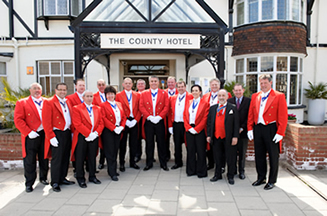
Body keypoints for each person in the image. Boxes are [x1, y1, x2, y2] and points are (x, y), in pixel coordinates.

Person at [247, 74, 288, 190]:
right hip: (258, 128)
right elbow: (251, 114)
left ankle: (272, 180)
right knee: (259, 155)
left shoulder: (279, 96)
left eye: (265, 83)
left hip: (271, 128)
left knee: (273, 156)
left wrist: (280, 132)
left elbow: (283, 116)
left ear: (270, 83)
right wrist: (250, 128)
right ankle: (261, 177)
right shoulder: (255, 96)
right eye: (261, 83)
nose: (263, 85)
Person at [14, 83, 49, 193]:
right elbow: (18, 120)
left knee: (44, 157)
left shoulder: (46, 101)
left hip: (44, 133)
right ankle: (29, 183)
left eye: (39, 88)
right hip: (31, 134)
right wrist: (29, 132)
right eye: (34, 88)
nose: (37, 90)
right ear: (30, 90)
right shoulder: (22, 103)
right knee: (30, 159)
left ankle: (43, 178)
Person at [43, 83, 75, 192]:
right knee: (57, 158)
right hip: (57, 133)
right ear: (55, 90)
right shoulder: (49, 102)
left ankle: (62, 178)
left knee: (65, 156)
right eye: (60, 90)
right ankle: (55, 181)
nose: (62, 92)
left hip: (66, 132)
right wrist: (51, 137)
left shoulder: (67, 101)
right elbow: (46, 122)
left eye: (64, 90)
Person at [71, 90, 104, 188]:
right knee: (80, 158)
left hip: (94, 136)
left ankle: (92, 176)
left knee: (92, 157)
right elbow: (77, 124)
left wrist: (96, 133)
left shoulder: (97, 108)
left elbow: (101, 122)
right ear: (83, 98)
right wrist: (88, 134)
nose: (89, 98)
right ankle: (80, 178)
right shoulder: (77, 108)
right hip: (82, 136)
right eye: (87, 96)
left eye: (91, 96)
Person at [207, 89, 239, 185]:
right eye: (219, 95)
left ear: (227, 97)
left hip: (228, 137)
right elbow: (209, 123)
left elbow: (236, 124)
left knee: (230, 157)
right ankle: (217, 175)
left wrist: (235, 136)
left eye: (223, 95)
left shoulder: (232, 108)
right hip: (216, 137)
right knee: (217, 157)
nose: (221, 97)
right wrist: (209, 135)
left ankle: (230, 176)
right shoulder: (213, 108)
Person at [139, 75, 170, 171]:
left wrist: (159, 117)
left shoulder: (164, 93)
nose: (153, 83)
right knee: (149, 143)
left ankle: (163, 163)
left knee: (162, 143)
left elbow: (166, 106)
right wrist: (149, 117)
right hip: (149, 121)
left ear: (158, 82)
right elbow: (141, 106)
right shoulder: (143, 94)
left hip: (160, 121)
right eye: (152, 81)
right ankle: (149, 163)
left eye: (155, 81)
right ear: (149, 82)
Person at [100, 86, 126, 181]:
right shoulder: (103, 105)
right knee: (110, 152)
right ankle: (112, 172)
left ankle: (114, 169)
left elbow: (123, 116)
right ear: (106, 95)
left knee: (115, 150)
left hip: (118, 130)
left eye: (112, 94)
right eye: (108, 94)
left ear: (115, 95)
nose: (110, 96)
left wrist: (122, 126)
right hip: (109, 131)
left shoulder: (119, 104)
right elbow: (104, 118)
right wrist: (113, 128)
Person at [183, 84, 209, 178]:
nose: (194, 92)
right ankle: (191, 170)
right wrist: (188, 127)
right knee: (190, 150)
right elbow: (185, 116)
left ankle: (201, 171)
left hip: (199, 130)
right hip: (189, 129)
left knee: (200, 151)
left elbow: (205, 118)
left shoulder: (205, 103)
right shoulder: (188, 102)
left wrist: (197, 129)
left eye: (196, 90)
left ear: (200, 92)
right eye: (193, 90)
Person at [116, 78, 141, 171]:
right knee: (122, 144)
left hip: (134, 121)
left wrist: (136, 120)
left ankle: (132, 162)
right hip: (124, 122)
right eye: (126, 83)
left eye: (129, 83)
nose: (128, 85)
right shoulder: (118, 95)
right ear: (123, 84)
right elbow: (118, 109)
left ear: (132, 84)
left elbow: (140, 109)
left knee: (133, 143)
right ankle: (122, 163)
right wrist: (124, 121)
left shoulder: (137, 95)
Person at [227, 84, 251, 180]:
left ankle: (241, 171)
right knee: (232, 153)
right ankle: (233, 170)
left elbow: (249, 116)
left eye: (239, 90)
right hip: (232, 133)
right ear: (233, 91)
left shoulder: (248, 101)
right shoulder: (229, 101)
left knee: (242, 153)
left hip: (243, 132)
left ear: (243, 90)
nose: (238, 92)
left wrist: (242, 128)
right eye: (236, 90)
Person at [168, 80, 193, 169]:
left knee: (188, 144)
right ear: (176, 88)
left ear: (185, 87)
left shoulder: (190, 96)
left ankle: (191, 162)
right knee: (177, 144)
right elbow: (170, 112)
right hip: (176, 124)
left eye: (182, 87)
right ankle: (178, 162)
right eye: (179, 87)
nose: (180, 88)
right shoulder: (173, 98)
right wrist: (170, 125)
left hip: (186, 124)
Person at [66, 79, 86, 174]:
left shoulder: (87, 97)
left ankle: (86, 167)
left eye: (83, 85)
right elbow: (70, 113)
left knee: (85, 149)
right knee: (77, 150)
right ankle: (76, 168)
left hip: (87, 129)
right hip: (76, 128)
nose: (82, 87)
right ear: (75, 87)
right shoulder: (70, 98)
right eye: (80, 85)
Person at [92, 79, 107, 170]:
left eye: (103, 84)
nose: (101, 86)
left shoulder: (110, 95)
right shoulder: (93, 96)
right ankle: (101, 161)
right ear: (97, 86)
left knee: (108, 144)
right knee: (101, 144)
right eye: (99, 84)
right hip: (99, 123)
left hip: (109, 124)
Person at [164, 76, 178, 162]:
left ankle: (177, 156)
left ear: (175, 83)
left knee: (177, 139)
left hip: (176, 118)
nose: (170, 84)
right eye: (169, 82)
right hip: (165, 118)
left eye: (172, 82)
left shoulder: (179, 92)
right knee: (165, 138)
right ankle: (166, 155)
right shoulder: (163, 92)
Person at [135, 79, 146, 162]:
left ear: (145, 85)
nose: (141, 85)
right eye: (139, 84)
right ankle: (137, 154)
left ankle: (150, 155)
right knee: (137, 137)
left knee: (148, 137)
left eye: (142, 84)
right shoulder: (134, 95)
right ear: (137, 86)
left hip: (146, 118)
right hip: (137, 119)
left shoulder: (147, 94)